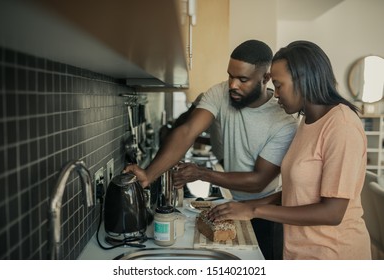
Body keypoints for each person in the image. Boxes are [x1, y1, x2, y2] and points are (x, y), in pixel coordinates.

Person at [125, 40, 298, 259]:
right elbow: (188, 130)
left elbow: (258, 181)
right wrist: (149, 175)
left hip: (265, 211)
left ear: (265, 79)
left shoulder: (283, 123)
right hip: (232, 204)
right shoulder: (220, 93)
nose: (233, 85)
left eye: (243, 79)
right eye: (230, 76)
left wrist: (202, 173)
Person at [208, 40, 371, 260]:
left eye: (278, 85)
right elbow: (300, 192)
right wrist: (248, 205)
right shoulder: (308, 121)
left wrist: (254, 211)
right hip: (301, 252)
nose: (275, 94)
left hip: (334, 255)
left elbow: (332, 212)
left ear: (302, 81)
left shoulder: (341, 126)